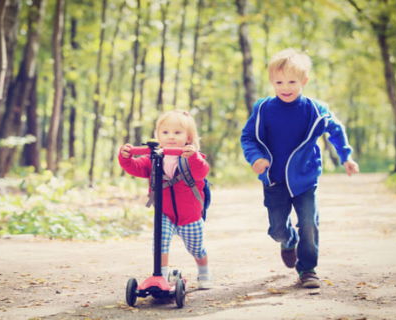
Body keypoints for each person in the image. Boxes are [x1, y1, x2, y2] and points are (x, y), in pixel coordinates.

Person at [240, 48, 359, 288]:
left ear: (304, 81)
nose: (286, 87)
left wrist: (346, 156)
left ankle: (308, 269)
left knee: (308, 223)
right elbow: (248, 137)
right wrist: (256, 159)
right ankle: (288, 240)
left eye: (292, 81)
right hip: (273, 179)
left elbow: (335, 131)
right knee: (276, 230)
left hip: (305, 178)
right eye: (279, 82)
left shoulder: (315, 109)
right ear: (271, 82)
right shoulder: (264, 109)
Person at [119, 110, 212, 289]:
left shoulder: (192, 158)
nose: (171, 137)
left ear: (188, 137)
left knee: (196, 248)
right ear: (157, 135)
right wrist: (125, 157)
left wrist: (192, 156)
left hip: (190, 215)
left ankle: (204, 271)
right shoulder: (153, 159)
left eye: (177, 133)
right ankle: (160, 275)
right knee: (160, 242)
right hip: (165, 212)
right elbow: (135, 167)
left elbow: (202, 172)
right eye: (165, 132)